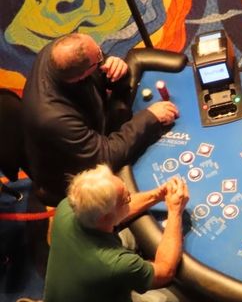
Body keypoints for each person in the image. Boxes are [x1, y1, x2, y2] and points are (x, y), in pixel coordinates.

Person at [43, 164, 190, 302]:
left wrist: (158, 194)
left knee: (129, 232)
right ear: (105, 217)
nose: (130, 198)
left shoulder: (66, 208)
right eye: (126, 198)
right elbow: (165, 270)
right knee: (180, 297)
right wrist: (175, 211)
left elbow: (119, 212)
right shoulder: (114, 264)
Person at [22, 32, 179, 204]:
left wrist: (115, 65)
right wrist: (150, 117)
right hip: (70, 176)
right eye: (99, 55)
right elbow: (105, 157)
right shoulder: (53, 117)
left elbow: (99, 66)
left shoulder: (59, 51)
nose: (102, 53)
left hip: (90, 124)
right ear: (82, 76)